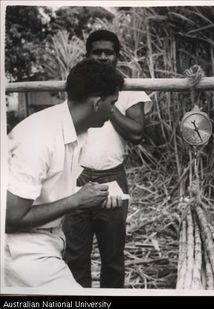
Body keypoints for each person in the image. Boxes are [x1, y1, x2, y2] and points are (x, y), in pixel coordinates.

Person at [5, 58, 125, 288]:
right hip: (21, 250)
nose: (113, 110)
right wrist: (76, 201)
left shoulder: (77, 132)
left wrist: (94, 196)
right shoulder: (39, 137)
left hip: (46, 242)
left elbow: (48, 191)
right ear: (97, 103)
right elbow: (10, 219)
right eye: (113, 103)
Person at [63, 30, 152, 288]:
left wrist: (108, 103)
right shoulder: (76, 89)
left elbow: (137, 133)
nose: (103, 57)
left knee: (112, 258)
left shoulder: (130, 91)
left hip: (112, 179)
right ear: (87, 55)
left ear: (117, 56)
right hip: (76, 177)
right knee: (75, 256)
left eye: (108, 52)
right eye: (97, 52)